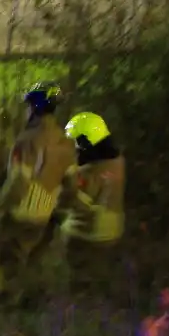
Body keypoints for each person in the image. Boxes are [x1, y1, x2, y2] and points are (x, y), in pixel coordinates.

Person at [0, 81, 76, 296]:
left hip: (19, 211)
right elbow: (70, 186)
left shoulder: (27, 141)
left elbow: (18, 183)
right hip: (43, 215)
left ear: (35, 108)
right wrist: (57, 213)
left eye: (28, 107)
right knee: (19, 255)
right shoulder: (67, 144)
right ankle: (20, 298)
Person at [57, 112, 126, 286]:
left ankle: (75, 285)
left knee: (62, 227)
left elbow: (68, 202)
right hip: (114, 231)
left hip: (86, 235)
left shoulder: (81, 173)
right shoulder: (118, 161)